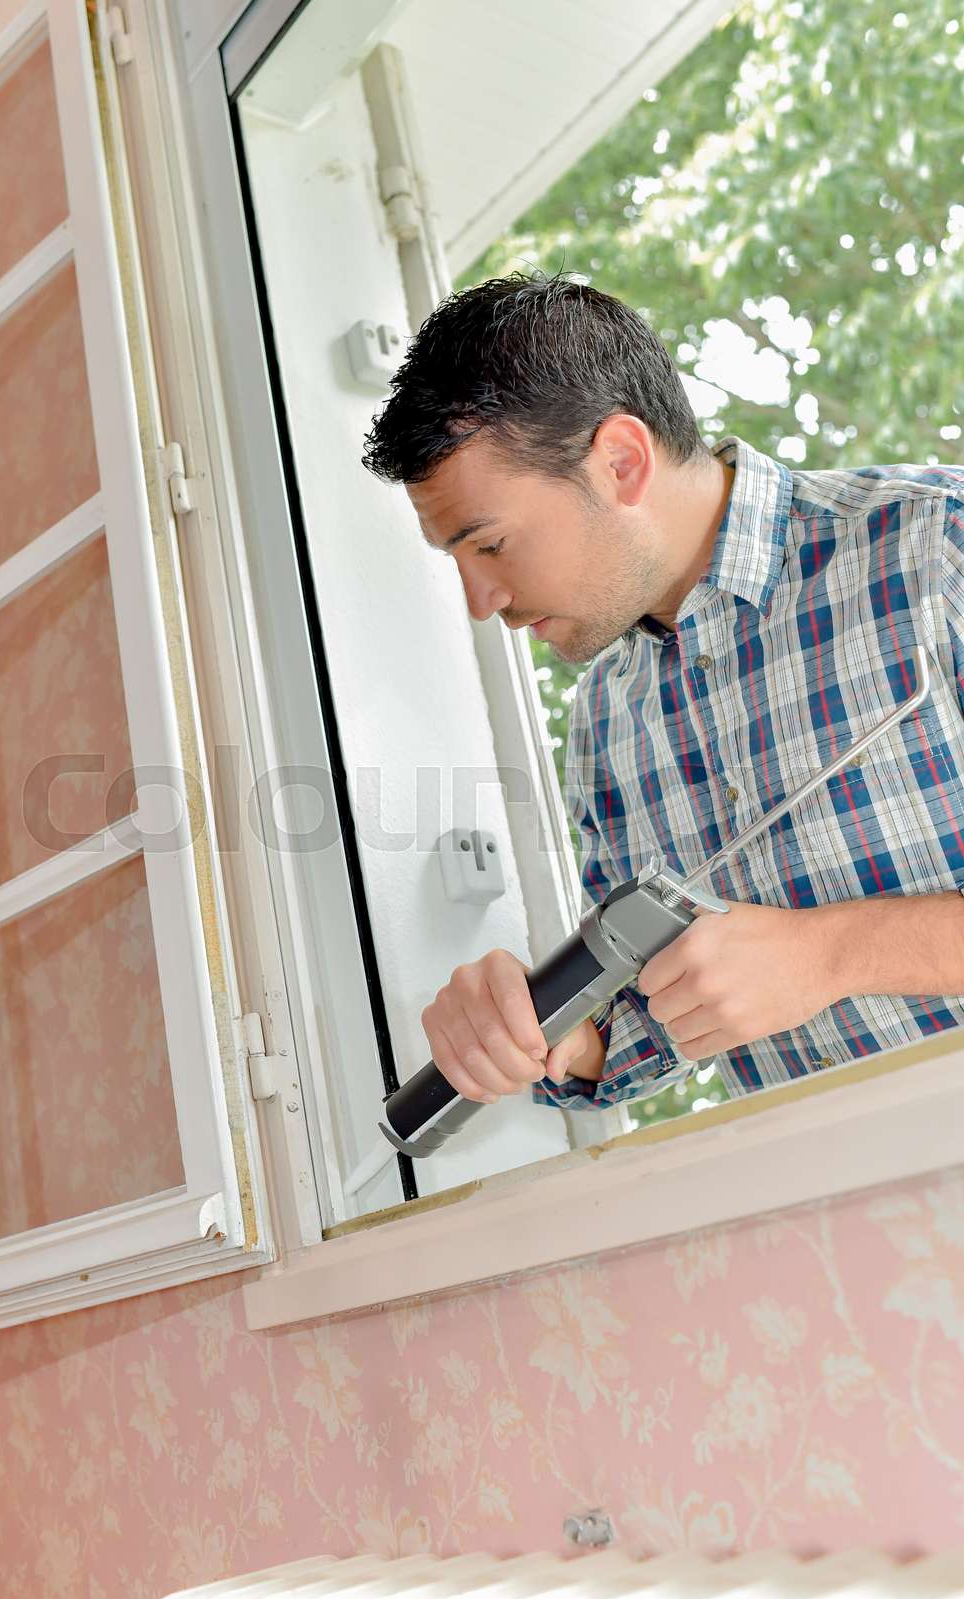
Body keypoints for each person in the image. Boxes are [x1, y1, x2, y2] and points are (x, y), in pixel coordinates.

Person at [361, 273, 964, 1116]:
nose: (479, 601)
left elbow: (808, 963)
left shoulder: (938, 544)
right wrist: (554, 1041)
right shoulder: (606, 720)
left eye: (490, 545)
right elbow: (652, 1025)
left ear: (620, 461)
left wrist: (836, 953)